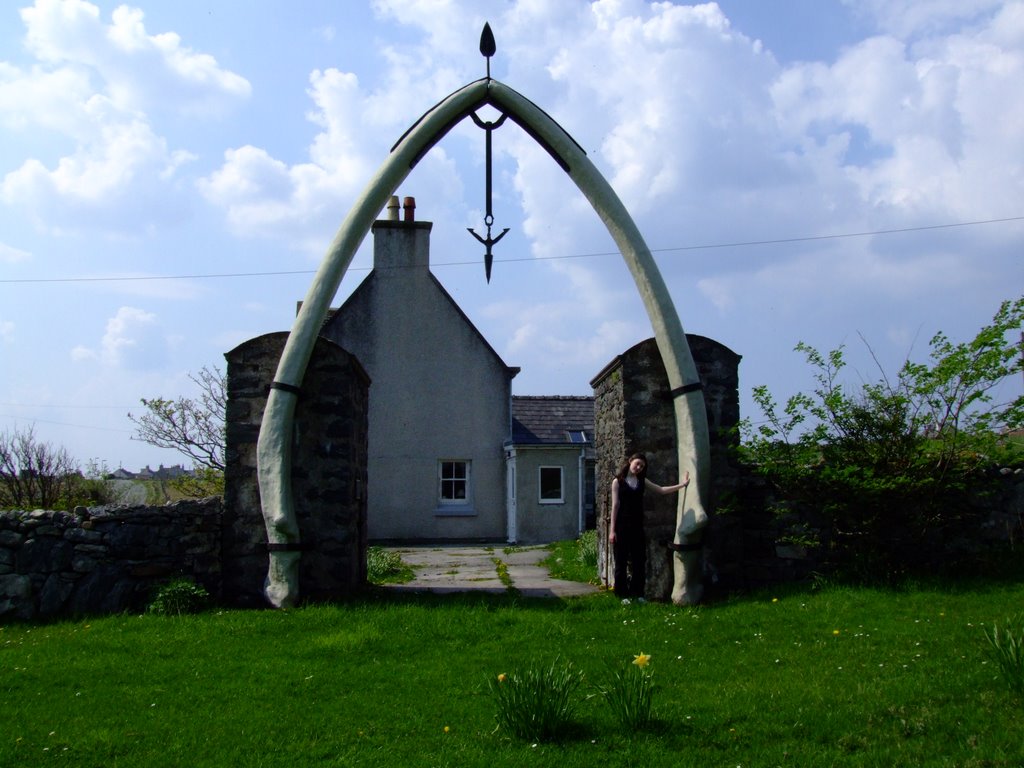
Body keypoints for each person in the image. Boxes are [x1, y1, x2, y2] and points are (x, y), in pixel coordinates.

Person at [608, 452, 690, 600]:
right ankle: (622, 595)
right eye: (637, 463)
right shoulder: (617, 482)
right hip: (622, 526)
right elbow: (615, 506)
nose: (638, 467)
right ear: (630, 461)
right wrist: (612, 531)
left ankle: (637, 593)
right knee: (621, 560)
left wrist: (682, 485)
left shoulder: (642, 481)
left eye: (642, 466)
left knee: (639, 560)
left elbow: (661, 490)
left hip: (637, 526)